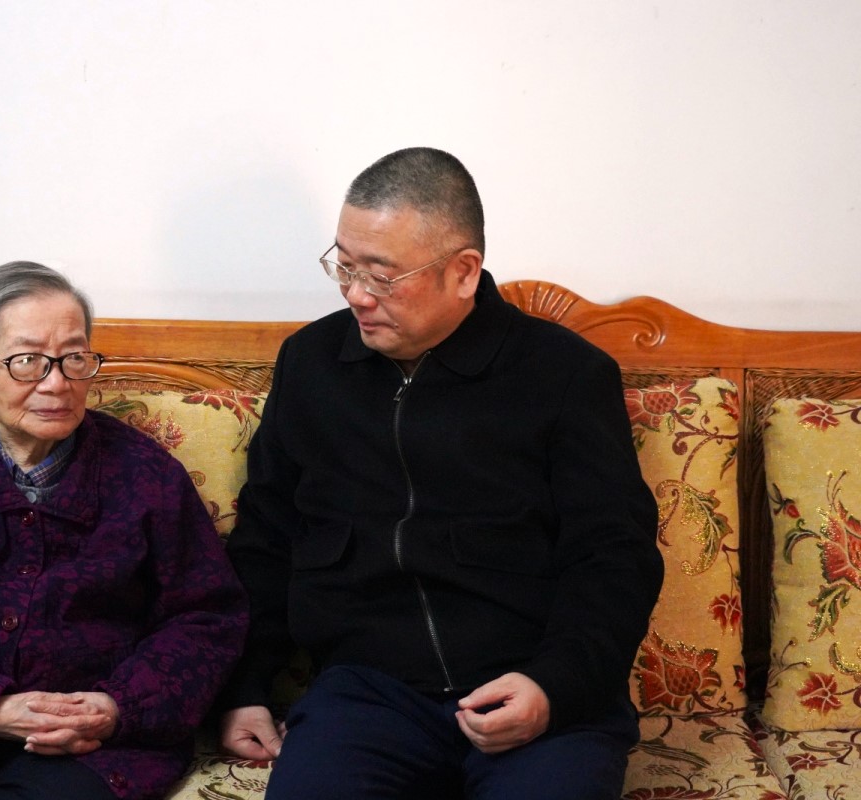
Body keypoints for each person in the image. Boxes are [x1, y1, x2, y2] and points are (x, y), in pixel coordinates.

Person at [218, 148, 664, 799]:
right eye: (344, 266)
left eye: (381, 276)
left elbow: (614, 554)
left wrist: (554, 685)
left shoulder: (565, 375)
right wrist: (245, 688)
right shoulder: (311, 365)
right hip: (368, 697)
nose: (356, 294)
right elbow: (266, 536)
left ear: (463, 272)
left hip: (535, 691)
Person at [0, 261, 248, 800]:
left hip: (92, 734)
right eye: (26, 361)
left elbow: (205, 616)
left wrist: (118, 706)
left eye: (74, 358)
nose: (56, 383)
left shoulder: (148, 476)